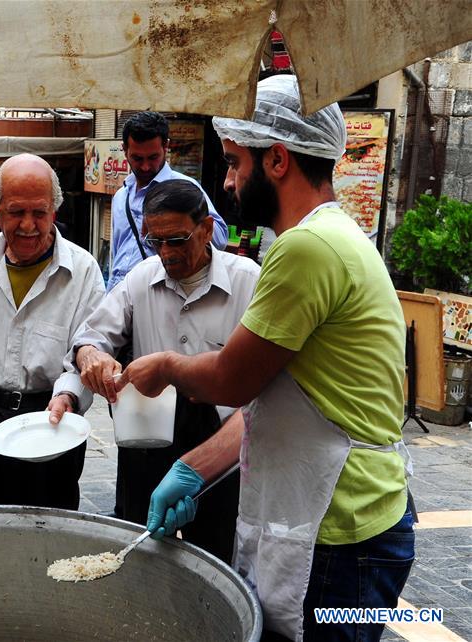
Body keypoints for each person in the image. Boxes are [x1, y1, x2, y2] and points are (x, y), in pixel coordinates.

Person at [122, 75, 413, 641]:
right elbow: (276, 399)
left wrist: (164, 367)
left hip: (343, 533)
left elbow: (232, 381)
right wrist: (193, 470)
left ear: (277, 160)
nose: (227, 182)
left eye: (234, 163)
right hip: (355, 521)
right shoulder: (335, 236)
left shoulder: (304, 248)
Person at [51, 179, 259, 562]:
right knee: (137, 547)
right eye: (155, 242)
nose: (166, 253)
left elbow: (263, 385)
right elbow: (90, 337)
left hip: (220, 444)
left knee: (214, 555)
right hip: (146, 437)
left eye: (177, 240)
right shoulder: (141, 279)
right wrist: (91, 356)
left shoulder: (249, 281)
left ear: (207, 229)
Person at [0, 153, 105, 509]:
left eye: (40, 213)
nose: (28, 224)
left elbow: (88, 350)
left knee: (50, 531)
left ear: (55, 213)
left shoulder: (83, 271)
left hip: (49, 418)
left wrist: (69, 396)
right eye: (16, 212)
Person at [107, 111, 228, 291]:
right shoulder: (121, 196)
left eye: (153, 157)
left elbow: (220, 239)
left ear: (166, 147)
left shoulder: (183, 187)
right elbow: (115, 253)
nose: (146, 166)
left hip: (158, 294)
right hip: (118, 294)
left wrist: (171, 229)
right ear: (125, 150)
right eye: (137, 158)